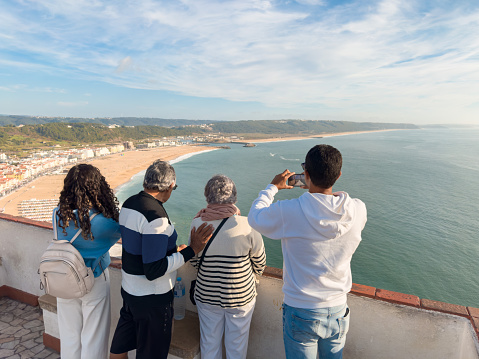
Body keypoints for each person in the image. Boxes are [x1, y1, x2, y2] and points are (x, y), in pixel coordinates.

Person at [248, 144, 367, 359]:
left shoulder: (290, 211)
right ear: (338, 175)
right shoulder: (358, 209)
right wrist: (318, 192)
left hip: (301, 309)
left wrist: (273, 187)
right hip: (338, 308)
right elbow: (334, 206)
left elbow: (255, 217)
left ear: (307, 174)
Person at [110, 160, 214, 359]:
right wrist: (191, 250)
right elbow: (153, 269)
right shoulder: (155, 217)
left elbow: (142, 247)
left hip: (130, 293)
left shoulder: (129, 204)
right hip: (152, 301)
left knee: (118, 349)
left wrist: (171, 249)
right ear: (170, 186)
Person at [190, 174, 266, 359]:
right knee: (237, 347)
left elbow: (193, 260)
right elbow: (260, 263)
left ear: (207, 195)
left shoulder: (198, 222)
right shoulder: (248, 224)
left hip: (207, 294)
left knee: (209, 344)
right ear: (234, 196)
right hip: (240, 296)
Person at [55, 164, 121, 359]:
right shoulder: (106, 224)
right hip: (93, 280)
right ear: (97, 188)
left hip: (64, 279)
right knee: (94, 338)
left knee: (69, 337)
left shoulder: (58, 214)